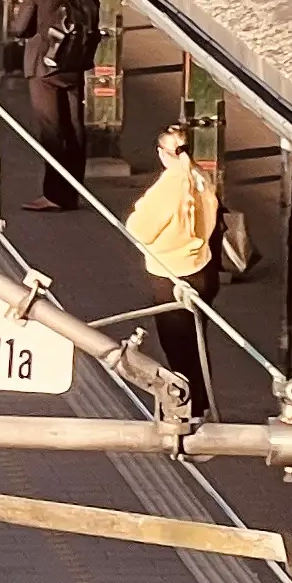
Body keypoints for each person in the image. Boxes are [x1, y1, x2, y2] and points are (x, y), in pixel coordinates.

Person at [126, 120, 224, 411]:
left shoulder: (167, 188)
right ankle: (201, 402)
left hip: (172, 278)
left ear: (161, 153)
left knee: (178, 349)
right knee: (195, 344)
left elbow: (139, 229)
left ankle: (189, 408)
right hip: (202, 269)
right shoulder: (201, 178)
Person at [6, 0, 103, 210]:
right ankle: (72, 192)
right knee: (74, 130)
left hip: (44, 66)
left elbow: (21, 27)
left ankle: (53, 195)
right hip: (74, 64)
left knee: (51, 131)